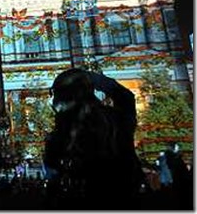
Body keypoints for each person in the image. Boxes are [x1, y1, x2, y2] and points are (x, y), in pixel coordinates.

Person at [43, 68, 144, 209]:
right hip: (124, 195)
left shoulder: (63, 132)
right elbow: (126, 96)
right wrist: (93, 78)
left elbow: (52, 164)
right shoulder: (116, 119)